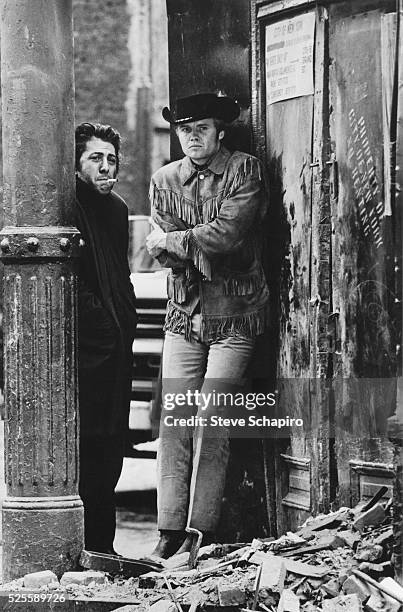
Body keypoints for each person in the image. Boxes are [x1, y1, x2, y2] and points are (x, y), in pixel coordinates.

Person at [146, 93, 269, 558]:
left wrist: (178, 242)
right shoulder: (164, 179)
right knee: (175, 420)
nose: (192, 137)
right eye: (183, 130)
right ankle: (168, 533)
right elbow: (166, 246)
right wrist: (188, 244)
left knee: (212, 421)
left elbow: (228, 237)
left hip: (236, 316)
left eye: (200, 128)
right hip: (184, 316)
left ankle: (200, 534)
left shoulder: (245, 170)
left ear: (219, 130)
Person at [75, 122, 137, 553]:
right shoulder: (60, 204)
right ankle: (77, 543)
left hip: (115, 346)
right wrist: (100, 323)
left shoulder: (116, 209)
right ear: (77, 164)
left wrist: (120, 326)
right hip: (82, 347)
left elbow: (121, 274)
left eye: (111, 159)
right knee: (84, 441)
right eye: (95, 158)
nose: (105, 166)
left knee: (110, 443)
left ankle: (102, 545)